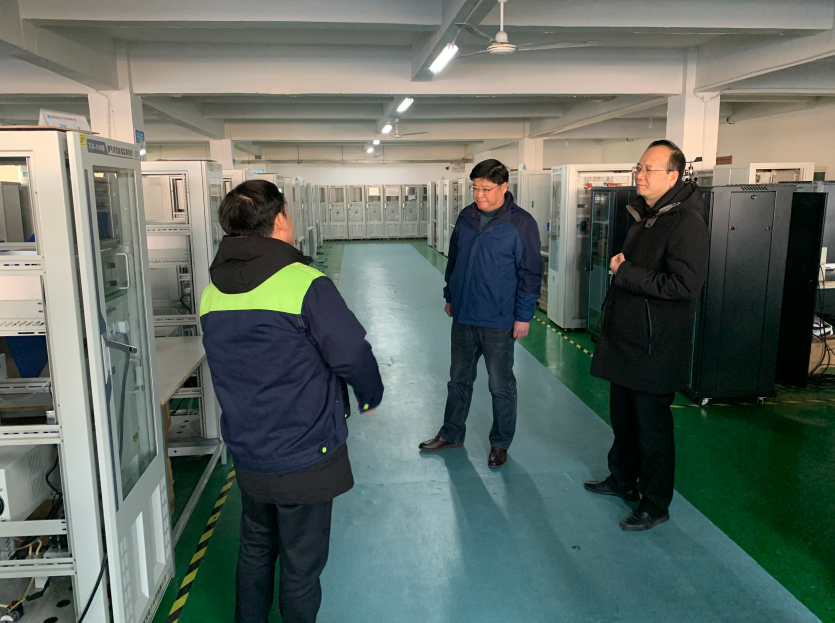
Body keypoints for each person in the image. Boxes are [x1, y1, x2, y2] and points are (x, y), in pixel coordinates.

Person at [199, 180, 384, 623]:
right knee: (301, 566)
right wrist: (370, 392)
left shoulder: (212, 291)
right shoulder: (304, 284)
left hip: (249, 449)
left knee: (256, 549)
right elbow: (351, 351)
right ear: (279, 220)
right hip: (305, 452)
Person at [584, 140, 709, 531]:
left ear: (673, 176)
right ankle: (623, 479)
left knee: (651, 429)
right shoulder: (648, 215)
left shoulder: (686, 223)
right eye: (638, 167)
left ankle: (655, 503)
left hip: (655, 347)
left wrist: (625, 272)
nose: (639, 175)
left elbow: (684, 286)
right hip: (628, 340)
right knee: (624, 420)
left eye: (648, 169)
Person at [419, 159, 541, 468]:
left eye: (486, 189)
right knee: (458, 380)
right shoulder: (466, 217)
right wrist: (450, 295)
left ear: (504, 187)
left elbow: (530, 273)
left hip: (498, 319)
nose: (479, 195)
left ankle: (500, 443)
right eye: (475, 188)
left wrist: (523, 316)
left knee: (500, 386)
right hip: (463, 316)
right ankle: (451, 433)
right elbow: (454, 260)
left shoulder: (521, 223)